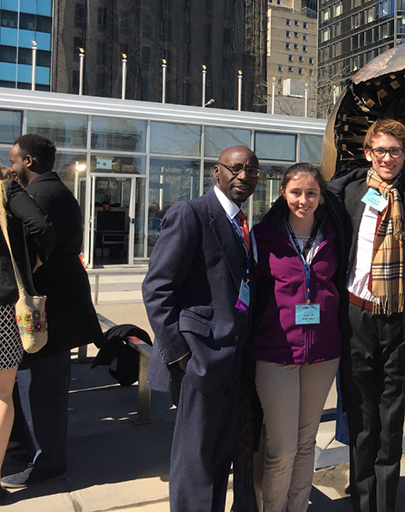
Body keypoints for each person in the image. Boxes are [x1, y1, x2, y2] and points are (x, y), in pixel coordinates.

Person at [327, 118, 405, 512]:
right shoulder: (347, 194)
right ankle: (361, 500)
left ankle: (384, 503)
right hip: (357, 317)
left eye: (395, 151)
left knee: (391, 420)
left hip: (400, 320)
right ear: (368, 153)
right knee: (362, 418)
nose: (387, 158)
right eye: (380, 150)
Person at [142, 145, 259, 511]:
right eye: (235, 168)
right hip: (200, 360)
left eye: (251, 171)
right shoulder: (191, 213)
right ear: (216, 172)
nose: (243, 176)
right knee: (194, 463)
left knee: (219, 457)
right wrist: (182, 356)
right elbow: (157, 289)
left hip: (234, 359)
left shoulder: (242, 224)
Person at [246, 163, 351, 512]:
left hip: (322, 353)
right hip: (276, 353)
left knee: (307, 443)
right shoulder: (263, 236)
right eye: (296, 192)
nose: (303, 200)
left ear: (321, 196)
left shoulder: (335, 236)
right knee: (282, 448)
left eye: (311, 193)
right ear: (283, 193)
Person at [4, 134, 101, 488]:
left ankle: (47, 463)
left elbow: (39, 238)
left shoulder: (38, 196)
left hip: (49, 309)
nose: (10, 167)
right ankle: (35, 453)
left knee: (41, 389)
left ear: (28, 161)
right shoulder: (57, 190)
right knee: (43, 385)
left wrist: (31, 269)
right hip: (60, 304)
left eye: (13, 160)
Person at [0, 170, 53, 500]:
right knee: (3, 394)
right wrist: (34, 260)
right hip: (3, 305)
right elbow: (43, 226)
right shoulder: (6, 189)